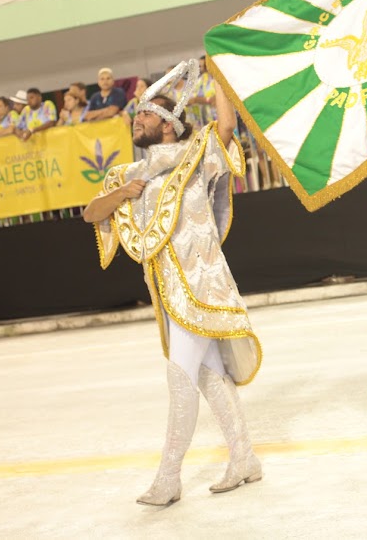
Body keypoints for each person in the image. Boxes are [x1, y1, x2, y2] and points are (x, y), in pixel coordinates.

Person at [83, 60, 262, 506]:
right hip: (169, 296)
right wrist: (121, 194)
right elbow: (90, 214)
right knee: (210, 377)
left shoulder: (194, 158)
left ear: (167, 127)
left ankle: (169, 478)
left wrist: (218, 72)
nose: (135, 121)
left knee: (181, 378)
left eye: (144, 116)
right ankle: (246, 459)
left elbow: (224, 125)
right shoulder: (129, 175)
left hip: (202, 290)